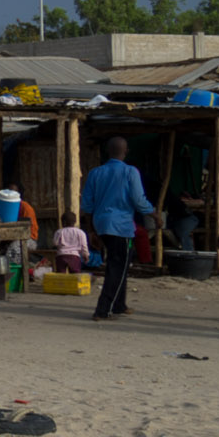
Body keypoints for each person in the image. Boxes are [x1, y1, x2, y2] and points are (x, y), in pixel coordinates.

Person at [83, 136, 154, 321]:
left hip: (101, 224)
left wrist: (92, 230)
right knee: (118, 267)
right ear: (126, 151)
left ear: (108, 151)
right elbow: (139, 200)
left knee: (118, 264)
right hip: (121, 226)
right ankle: (102, 309)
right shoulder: (130, 172)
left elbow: (87, 205)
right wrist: (154, 214)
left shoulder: (95, 173)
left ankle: (119, 304)